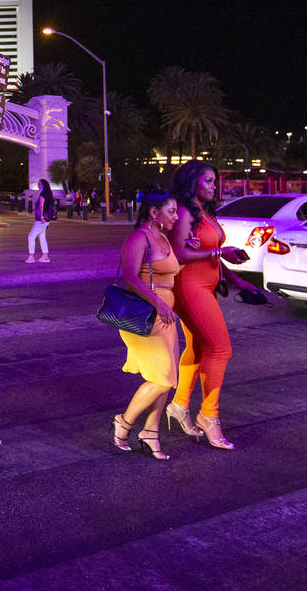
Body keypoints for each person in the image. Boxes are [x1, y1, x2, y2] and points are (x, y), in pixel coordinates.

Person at [166, 161, 254, 449]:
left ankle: (179, 405)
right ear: (193, 181)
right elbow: (179, 253)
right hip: (189, 287)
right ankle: (209, 415)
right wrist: (219, 252)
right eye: (209, 181)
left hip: (206, 285)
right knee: (220, 349)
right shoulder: (182, 211)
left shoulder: (202, 211)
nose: (215, 186)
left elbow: (211, 253)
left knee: (199, 348)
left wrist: (237, 280)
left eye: (215, 181)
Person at [110, 189, 182, 461]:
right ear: (154, 212)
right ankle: (124, 421)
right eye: (171, 211)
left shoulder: (163, 237)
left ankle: (151, 431)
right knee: (163, 378)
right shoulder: (137, 238)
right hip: (145, 315)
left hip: (166, 316)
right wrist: (160, 304)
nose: (176, 216)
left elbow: (170, 272)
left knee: (169, 377)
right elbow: (131, 279)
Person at [26, 178, 56, 263]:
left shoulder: (43, 194)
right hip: (46, 219)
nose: (38, 185)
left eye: (39, 184)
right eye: (38, 184)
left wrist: (42, 216)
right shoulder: (48, 194)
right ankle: (45, 256)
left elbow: (41, 206)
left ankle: (31, 256)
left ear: (43, 185)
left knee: (31, 236)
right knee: (42, 237)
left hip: (41, 219)